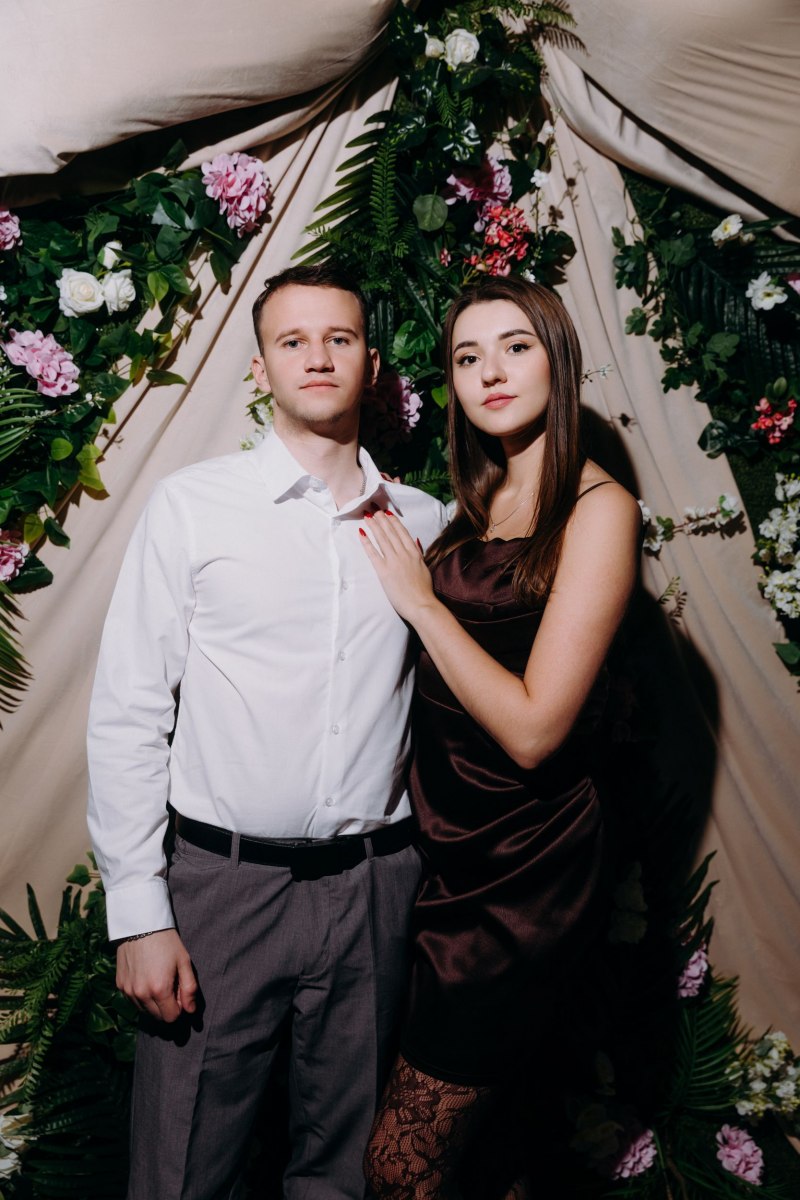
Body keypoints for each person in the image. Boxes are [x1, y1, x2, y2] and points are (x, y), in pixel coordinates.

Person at [86, 263, 446, 1200]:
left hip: (375, 887)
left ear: (372, 365)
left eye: (339, 338)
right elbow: (129, 709)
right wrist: (141, 913)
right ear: (260, 368)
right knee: (183, 1168)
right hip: (224, 888)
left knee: (347, 1171)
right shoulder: (192, 506)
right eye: (293, 340)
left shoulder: (424, 521)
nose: (317, 356)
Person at [359, 277, 642, 1199]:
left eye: (515, 347)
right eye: (467, 356)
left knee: (399, 1168)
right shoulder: (482, 497)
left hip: (525, 876)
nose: (490, 372)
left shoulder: (599, 509)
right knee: (493, 1159)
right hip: (449, 852)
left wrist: (420, 603)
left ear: (557, 359)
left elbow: (533, 730)